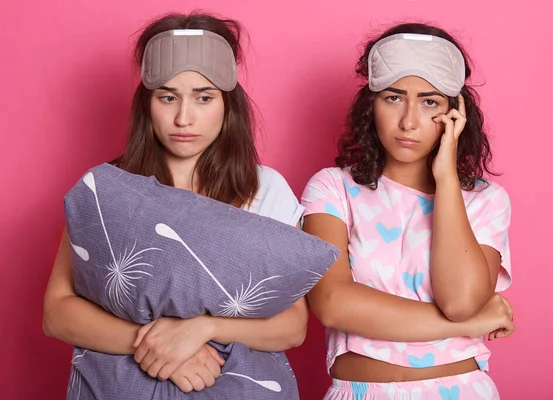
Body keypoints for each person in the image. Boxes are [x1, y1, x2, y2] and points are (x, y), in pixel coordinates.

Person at [43, 11, 308, 395]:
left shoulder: (264, 189)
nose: (184, 117)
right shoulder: (107, 189)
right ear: (146, 104)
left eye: (204, 98)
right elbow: (57, 312)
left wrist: (203, 329)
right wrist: (160, 347)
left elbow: (293, 325)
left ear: (228, 105)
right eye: (168, 97)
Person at [301, 22, 514, 399]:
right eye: (393, 97)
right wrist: (471, 322)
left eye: (429, 102)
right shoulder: (333, 188)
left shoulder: (485, 200)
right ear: (371, 104)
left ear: (455, 112)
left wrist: (446, 177)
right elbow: (333, 305)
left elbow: (460, 301)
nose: (409, 122)